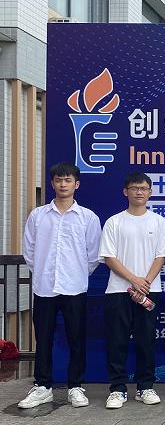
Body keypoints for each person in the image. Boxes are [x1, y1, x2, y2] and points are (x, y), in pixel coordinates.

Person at [20, 162, 101, 409]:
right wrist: (42, 272)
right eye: (58, 180)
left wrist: (77, 274)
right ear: (52, 183)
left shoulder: (87, 217)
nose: (63, 184)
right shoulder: (38, 215)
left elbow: (93, 255)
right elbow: (29, 251)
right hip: (44, 287)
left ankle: (75, 386)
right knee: (43, 339)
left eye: (68, 180)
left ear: (77, 184)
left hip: (74, 287)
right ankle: (42, 386)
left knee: (76, 339)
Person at [100, 172, 165, 409]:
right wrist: (133, 280)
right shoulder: (114, 222)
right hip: (118, 291)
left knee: (146, 341)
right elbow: (109, 257)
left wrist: (145, 283)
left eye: (143, 188)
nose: (139, 192)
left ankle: (145, 387)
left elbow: (161, 256)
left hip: (149, 290)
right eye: (134, 188)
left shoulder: (158, 222)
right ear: (125, 191)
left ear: (150, 192)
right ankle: (117, 389)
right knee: (117, 341)